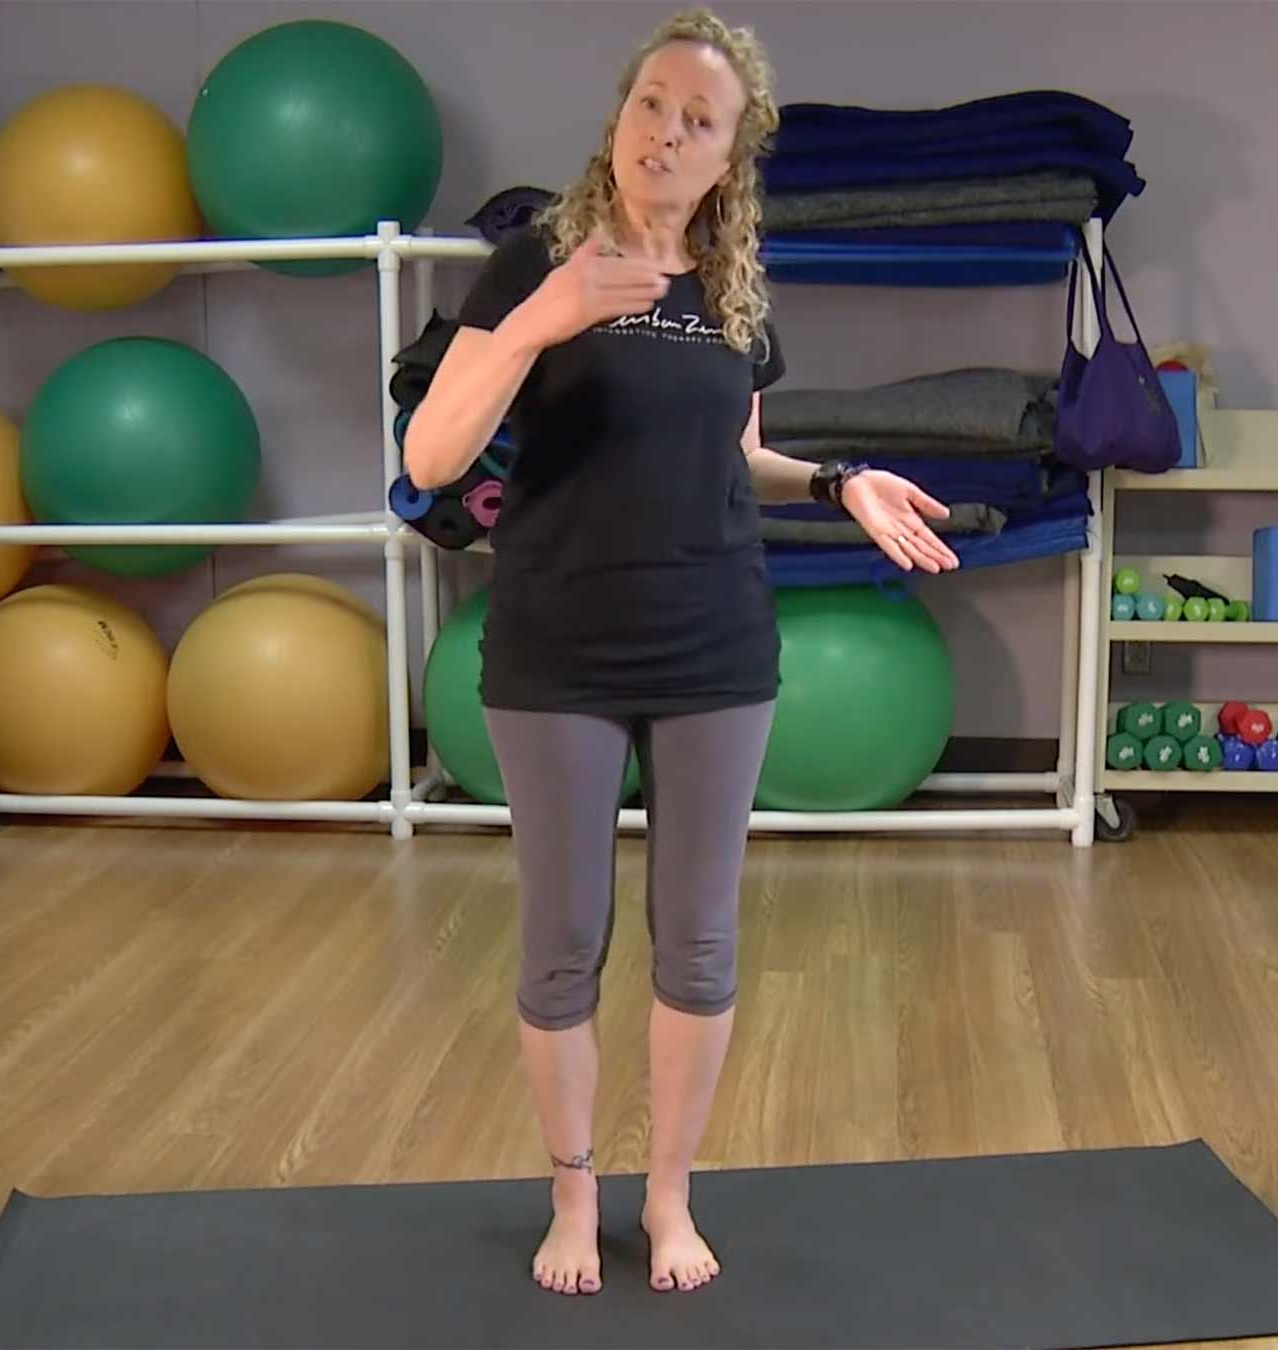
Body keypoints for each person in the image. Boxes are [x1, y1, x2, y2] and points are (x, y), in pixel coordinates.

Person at [402, 7, 959, 1298]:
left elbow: (730, 451)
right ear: (620, 114)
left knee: (700, 939)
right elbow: (430, 457)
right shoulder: (535, 259)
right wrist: (544, 315)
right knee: (563, 938)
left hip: (714, 635)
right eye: (651, 102)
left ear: (731, 157)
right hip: (558, 643)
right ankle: (572, 1193)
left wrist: (835, 479)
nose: (664, 131)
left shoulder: (735, 293)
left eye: (696, 119)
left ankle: (668, 1200)